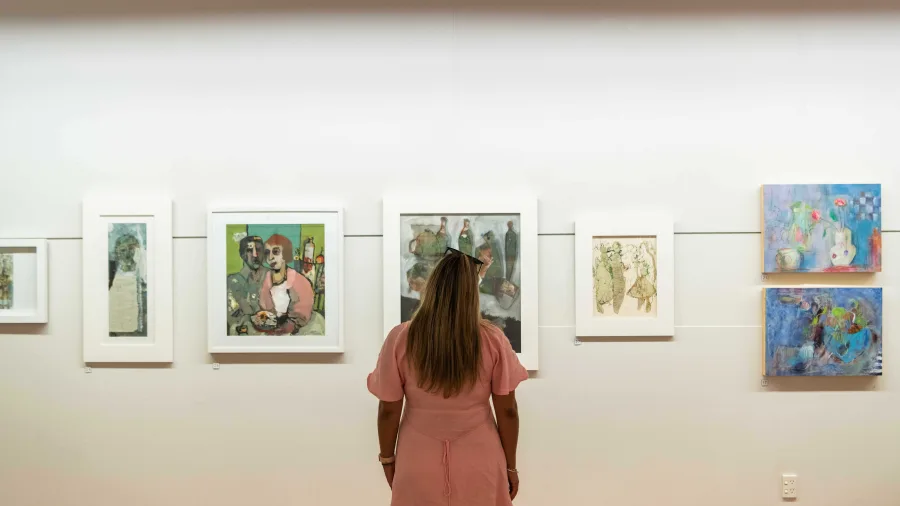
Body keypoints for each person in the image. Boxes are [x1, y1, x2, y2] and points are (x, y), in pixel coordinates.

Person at [368, 249, 527, 505]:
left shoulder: (401, 338)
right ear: (472, 292)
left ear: (433, 286)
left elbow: (388, 410)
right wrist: (511, 466)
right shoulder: (492, 339)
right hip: (481, 456)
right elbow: (507, 411)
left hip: (417, 455)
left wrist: (387, 459)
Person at [258, 234, 324, 335]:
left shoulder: (299, 281)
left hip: (296, 329)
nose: (270, 257)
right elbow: (264, 306)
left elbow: (302, 312)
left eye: (276, 252)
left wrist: (288, 326)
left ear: (285, 254)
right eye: (267, 252)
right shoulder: (266, 279)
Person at [226, 235, 268, 335]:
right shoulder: (232, 282)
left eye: (258, 250)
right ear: (242, 254)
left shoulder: (272, 277)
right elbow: (232, 318)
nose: (255, 255)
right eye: (249, 250)